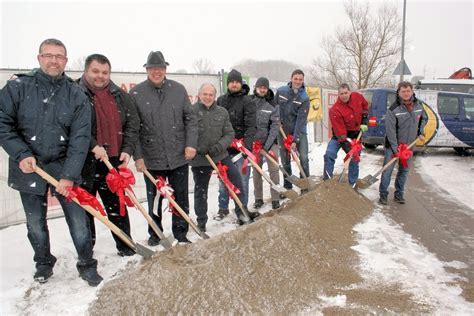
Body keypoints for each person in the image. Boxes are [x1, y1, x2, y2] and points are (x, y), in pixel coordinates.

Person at [0, 38, 102, 286]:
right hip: (29, 166)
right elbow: (3, 123)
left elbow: (80, 139)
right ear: (39, 58)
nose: (54, 60)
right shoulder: (18, 87)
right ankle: (43, 262)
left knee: (78, 221)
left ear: (66, 61)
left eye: (59, 56)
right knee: (35, 223)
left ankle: (87, 264)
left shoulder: (76, 94)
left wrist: (68, 174)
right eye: (49, 55)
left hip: (64, 166)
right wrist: (21, 154)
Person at [131, 51, 198, 244]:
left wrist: (191, 144)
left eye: (159, 68)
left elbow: (190, 119)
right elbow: (133, 128)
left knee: (180, 197)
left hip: (178, 155)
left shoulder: (178, 89)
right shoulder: (136, 93)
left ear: (165, 69)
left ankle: (181, 233)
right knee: (155, 200)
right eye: (152, 68)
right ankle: (155, 234)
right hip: (152, 158)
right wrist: (138, 156)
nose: (156, 72)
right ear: (147, 70)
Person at [78, 54, 140, 256]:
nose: (100, 76)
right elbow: (72, 127)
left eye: (105, 72)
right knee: (87, 208)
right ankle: (87, 250)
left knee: (117, 206)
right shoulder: (75, 93)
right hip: (84, 161)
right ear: (86, 71)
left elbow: (132, 124)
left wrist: (127, 149)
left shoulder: (120, 95)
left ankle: (125, 245)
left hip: (111, 161)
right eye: (95, 71)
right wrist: (92, 144)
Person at [191, 83, 250, 229]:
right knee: (201, 191)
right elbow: (186, 133)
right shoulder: (191, 111)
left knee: (236, 181)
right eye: (205, 94)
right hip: (200, 159)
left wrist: (218, 147)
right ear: (199, 95)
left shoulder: (222, 112)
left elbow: (229, 134)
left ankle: (241, 213)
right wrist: (197, 147)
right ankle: (201, 222)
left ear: (214, 96)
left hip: (220, 156)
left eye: (211, 94)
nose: (208, 97)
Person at [215, 69, 259, 220]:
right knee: (223, 178)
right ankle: (223, 207)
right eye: (231, 82)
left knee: (242, 180)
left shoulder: (248, 101)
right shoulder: (221, 100)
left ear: (241, 83)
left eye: (237, 82)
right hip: (224, 147)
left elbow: (251, 125)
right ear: (228, 84)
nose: (234, 84)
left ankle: (242, 208)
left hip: (240, 147)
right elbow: (216, 124)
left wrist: (246, 146)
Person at [379, 81, 427, 205]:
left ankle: (399, 194)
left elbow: (424, 118)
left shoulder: (419, 105)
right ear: (398, 93)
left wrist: (421, 131)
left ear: (412, 91)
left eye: (408, 91)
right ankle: (383, 194)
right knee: (388, 170)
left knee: (404, 171)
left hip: (410, 145)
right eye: (403, 91)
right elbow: (390, 132)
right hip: (393, 146)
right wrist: (396, 149)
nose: (406, 94)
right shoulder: (393, 109)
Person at [323, 83, 368, 186]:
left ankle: (352, 184)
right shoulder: (335, 109)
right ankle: (327, 182)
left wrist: (364, 120)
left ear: (350, 92)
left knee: (354, 159)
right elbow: (340, 132)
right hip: (340, 136)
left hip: (356, 135)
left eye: (346, 93)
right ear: (338, 94)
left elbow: (365, 106)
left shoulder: (357, 97)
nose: (344, 95)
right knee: (329, 154)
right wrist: (348, 149)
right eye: (341, 94)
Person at [276, 69, 310, 192]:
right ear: (291, 78)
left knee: (304, 158)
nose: (298, 81)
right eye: (296, 78)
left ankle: (305, 185)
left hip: (299, 131)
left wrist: (295, 139)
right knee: (285, 160)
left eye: (300, 79)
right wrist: (277, 119)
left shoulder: (304, 97)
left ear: (303, 80)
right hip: (283, 131)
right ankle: (288, 186)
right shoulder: (281, 91)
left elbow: (301, 120)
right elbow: (276, 108)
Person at [251, 77, 281, 210]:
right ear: (256, 87)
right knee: (256, 171)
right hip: (254, 144)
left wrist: (266, 146)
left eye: (265, 87)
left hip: (270, 143)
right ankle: (258, 198)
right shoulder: (249, 103)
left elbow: (275, 127)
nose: (262, 89)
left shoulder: (272, 105)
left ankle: (275, 198)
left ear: (267, 89)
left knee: (274, 170)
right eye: (260, 87)